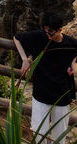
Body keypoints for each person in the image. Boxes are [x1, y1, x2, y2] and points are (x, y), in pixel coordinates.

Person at [14, 11, 77, 142]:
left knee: (60, 136)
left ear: (60, 30)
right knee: (38, 133)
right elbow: (17, 38)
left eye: (51, 31)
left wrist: (72, 63)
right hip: (41, 93)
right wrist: (25, 60)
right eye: (46, 30)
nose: (47, 34)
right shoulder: (40, 36)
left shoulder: (70, 43)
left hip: (62, 95)